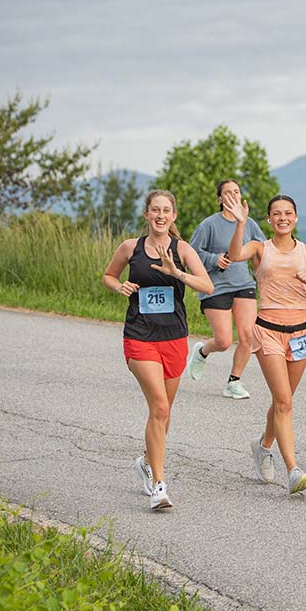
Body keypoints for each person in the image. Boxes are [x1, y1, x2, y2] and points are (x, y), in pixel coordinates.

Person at [102, 189, 214, 510]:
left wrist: (176, 272)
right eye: (155, 210)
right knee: (160, 408)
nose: (160, 215)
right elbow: (108, 275)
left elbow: (207, 286)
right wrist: (119, 285)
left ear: (173, 216)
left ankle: (147, 462)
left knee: (163, 413)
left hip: (174, 337)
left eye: (166, 210)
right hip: (139, 336)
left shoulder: (182, 249)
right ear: (147, 215)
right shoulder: (130, 248)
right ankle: (159, 485)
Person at [224, 191, 306, 494]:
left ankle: (263, 446)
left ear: (295, 218)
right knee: (284, 401)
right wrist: (239, 224)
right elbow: (234, 256)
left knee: (281, 401)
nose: (283, 218)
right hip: (268, 330)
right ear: (269, 219)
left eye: (288, 213)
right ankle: (293, 469)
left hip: (300, 333)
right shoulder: (260, 248)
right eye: (277, 214)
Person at [186, 179, 265, 399]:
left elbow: (264, 249)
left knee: (248, 336)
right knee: (223, 341)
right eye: (227, 193)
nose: (233, 196)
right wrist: (213, 259)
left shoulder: (249, 224)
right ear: (220, 199)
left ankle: (233, 382)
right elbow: (190, 254)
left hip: (244, 285)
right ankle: (202, 352)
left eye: (237, 191)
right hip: (216, 287)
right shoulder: (208, 225)